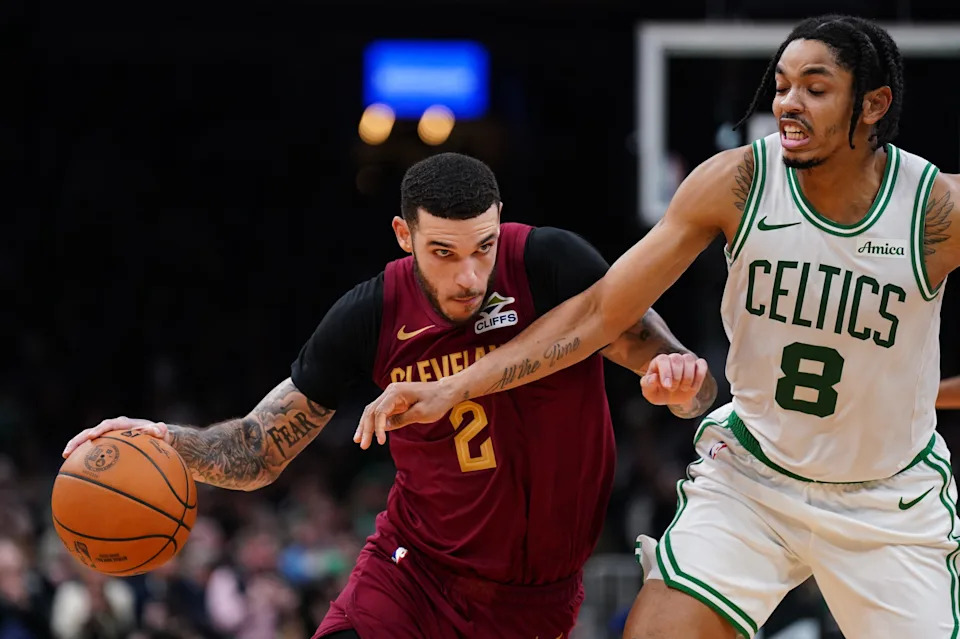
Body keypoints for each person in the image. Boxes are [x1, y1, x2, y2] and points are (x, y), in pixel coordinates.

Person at [356, 15, 960, 639]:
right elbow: (599, 312)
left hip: (886, 499)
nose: (788, 103)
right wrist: (456, 386)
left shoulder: (934, 211)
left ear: (873, 104)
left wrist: (930, 394)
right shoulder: (738, 183)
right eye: (781, 85)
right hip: (753, 478)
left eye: (815, 87)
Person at [62, 152, 717, 639]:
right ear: (405, 237)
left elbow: (687, 379)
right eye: (443, 252)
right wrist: (164, 439)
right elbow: (260, 448)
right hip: (413, 572)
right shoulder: (370, 315)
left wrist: (682, 391)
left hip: (535, 600)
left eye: (482, 247)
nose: (468, 275)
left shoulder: (553, 266)